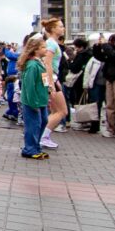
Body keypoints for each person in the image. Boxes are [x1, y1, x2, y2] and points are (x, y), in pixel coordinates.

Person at [18, 35, 50, 159]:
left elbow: (43, 79)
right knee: (33, 124)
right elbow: (29, 86)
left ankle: (36, 146)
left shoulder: (39, 63)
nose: (46, 49)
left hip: (41, 100)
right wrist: (33, 102)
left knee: (43, 122)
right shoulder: (32, 65)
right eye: (43, 47)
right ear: (35, 49)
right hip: (33, 101)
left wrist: (48, 88)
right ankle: (29, 148)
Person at [39, 18, 68, 149]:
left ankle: (42, 136)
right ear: (53, 29)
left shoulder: (52, 43)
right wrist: (50, 83)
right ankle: (42, 137)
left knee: (56, 110)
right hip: (51, 78)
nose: (63, 29)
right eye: (60, 26)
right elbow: (47, 63)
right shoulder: (51, 44)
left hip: (53, 79)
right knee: (62, 111)